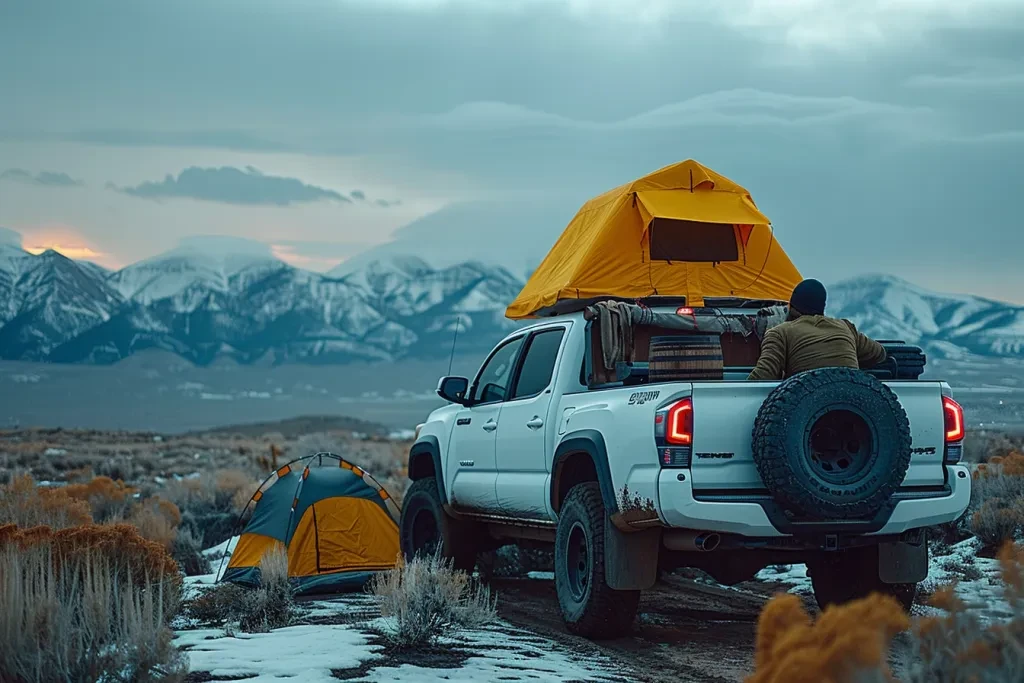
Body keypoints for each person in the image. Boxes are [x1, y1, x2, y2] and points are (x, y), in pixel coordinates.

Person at [748, 278, 887, 381]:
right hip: (854, 407)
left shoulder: (780, 333)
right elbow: (879, 353)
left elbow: (763, 376)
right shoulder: (845, 327)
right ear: (823, 308)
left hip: (802, 412)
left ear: (790, 306)